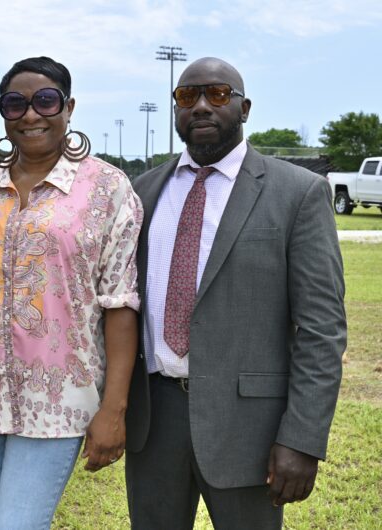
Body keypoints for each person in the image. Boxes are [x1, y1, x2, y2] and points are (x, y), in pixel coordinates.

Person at [125, 57, 346, 529]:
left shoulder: (298, 193)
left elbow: (322, 330)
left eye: (218, 95)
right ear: (176, 109)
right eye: (188, 97)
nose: (202, 106)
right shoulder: (142, 193)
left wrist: (303, 438)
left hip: (251, 430)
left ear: (245, 108)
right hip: (154, 422)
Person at [0, 56, 143, 530]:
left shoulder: (107, 189)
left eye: (45, 100)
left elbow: (119, 304)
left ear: (69, 107)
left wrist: (114, 408)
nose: (31, 114)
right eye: (15, 104)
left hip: (58, 397)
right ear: (3, 113)